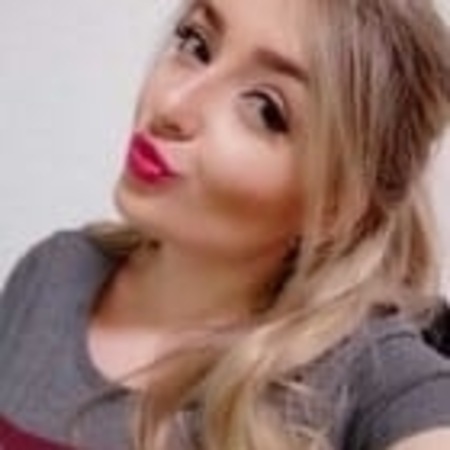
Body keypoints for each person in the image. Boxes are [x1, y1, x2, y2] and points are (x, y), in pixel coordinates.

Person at [1, 0, 450, 449]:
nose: (171, 105)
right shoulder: (54, 273)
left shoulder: (368, 373)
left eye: (264, 108)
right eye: (196, 45)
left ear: (336, 206)